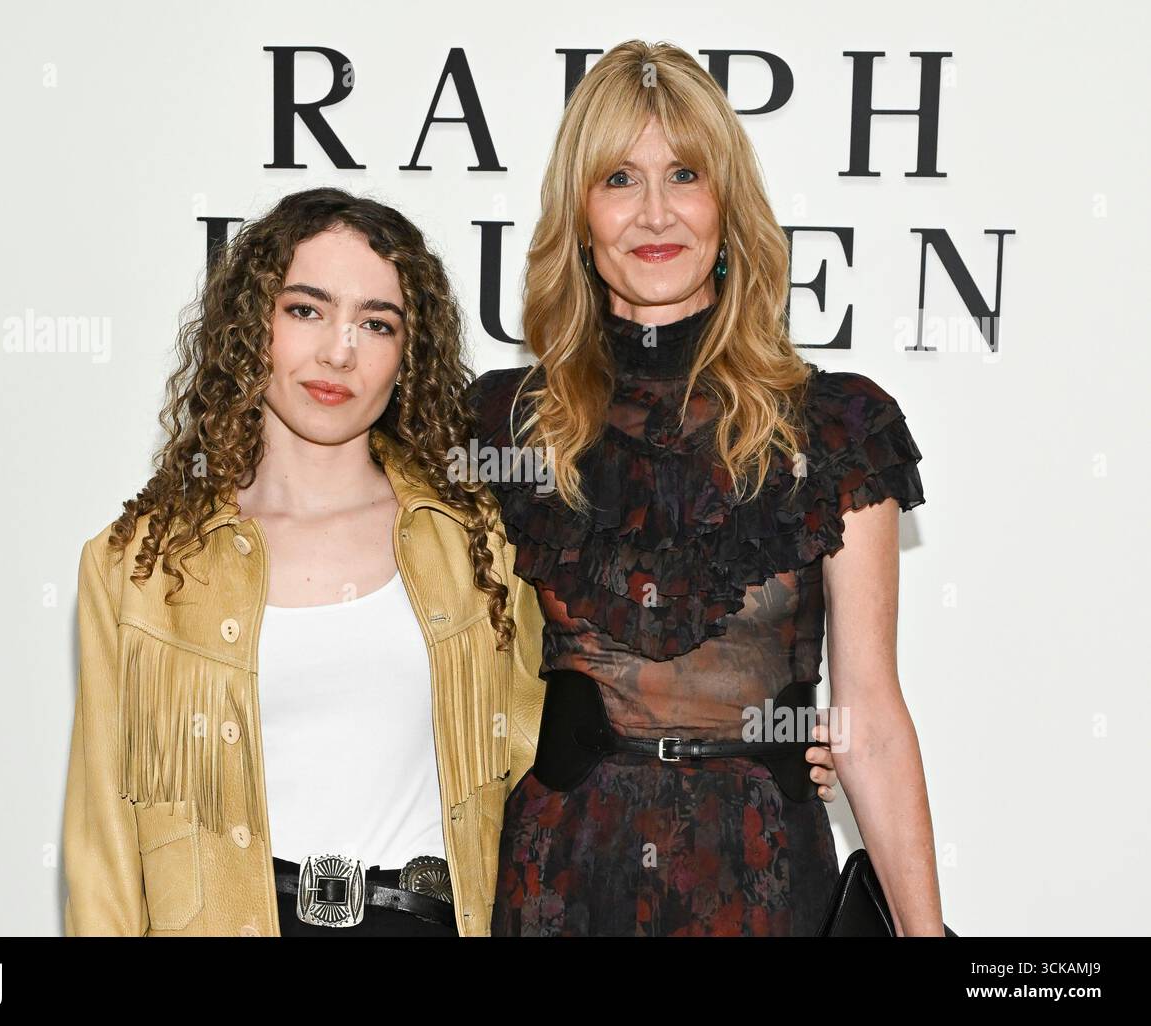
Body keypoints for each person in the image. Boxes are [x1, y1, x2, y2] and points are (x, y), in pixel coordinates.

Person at [470, 40, 943, 936]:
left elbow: (870, 719)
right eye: (618, 179)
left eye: (684, 174)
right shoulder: (500, 426)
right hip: (560, 878)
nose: (655, 213)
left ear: (727, 206)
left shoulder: (837, 430)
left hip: (764, 873)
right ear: (579, 217)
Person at [62, 187, 553, 936]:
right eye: (306, 310)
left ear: (407, 355)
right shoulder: (139, 566)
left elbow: (539, 761)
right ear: (249, 326)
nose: (339, 351)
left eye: (376, 323)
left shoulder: (474, 540)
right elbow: (103, 840)